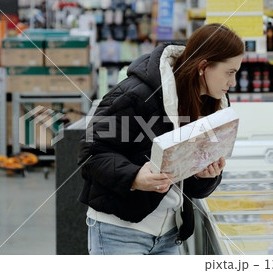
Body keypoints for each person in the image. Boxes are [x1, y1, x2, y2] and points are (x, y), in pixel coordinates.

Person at [78, 23, 245, 255]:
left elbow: (191, 187)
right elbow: (91, 154)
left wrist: (204, 175)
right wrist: (135, 177)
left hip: (169, 235)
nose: (233, 82)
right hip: (120, 232)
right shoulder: (136, 94)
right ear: (203, 66)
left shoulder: (209, 106)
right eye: (230, 72)